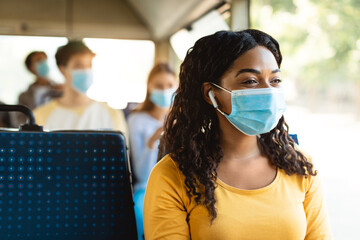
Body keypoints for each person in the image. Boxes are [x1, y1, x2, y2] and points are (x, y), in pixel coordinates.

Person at [144, 30, 332, 239]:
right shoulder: (172, 175)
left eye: (275, 80)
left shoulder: (300, 166)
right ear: (211, 94)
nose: (268, 91)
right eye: (250, 81)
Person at [33, 41, 128, 138]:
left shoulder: (112, 115)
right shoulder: (40, 117)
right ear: (62, 69)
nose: (86, 71)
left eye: (89, 65)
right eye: (79, 66)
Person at [127, 63, 177, 239]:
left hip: (179, 184)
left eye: (169, 86)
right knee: (142, 212)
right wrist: (153, 140)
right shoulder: (136, 119)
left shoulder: (184, 119)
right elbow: (141, 173)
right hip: (146, 186)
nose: (164, 91)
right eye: (158, 86)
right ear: (149, 87)